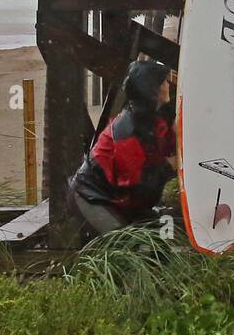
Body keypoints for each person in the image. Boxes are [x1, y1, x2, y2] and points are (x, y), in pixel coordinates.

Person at [67, 61, 176, 238]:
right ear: (153, 90)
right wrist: (169, 167)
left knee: (157, 243)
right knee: (128, 246)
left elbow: (162, 147)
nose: (168, 84)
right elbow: (138, 188)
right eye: (163, 81)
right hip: (90, 197)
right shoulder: (127, 133)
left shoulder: (152, 120)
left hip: (115, 197)